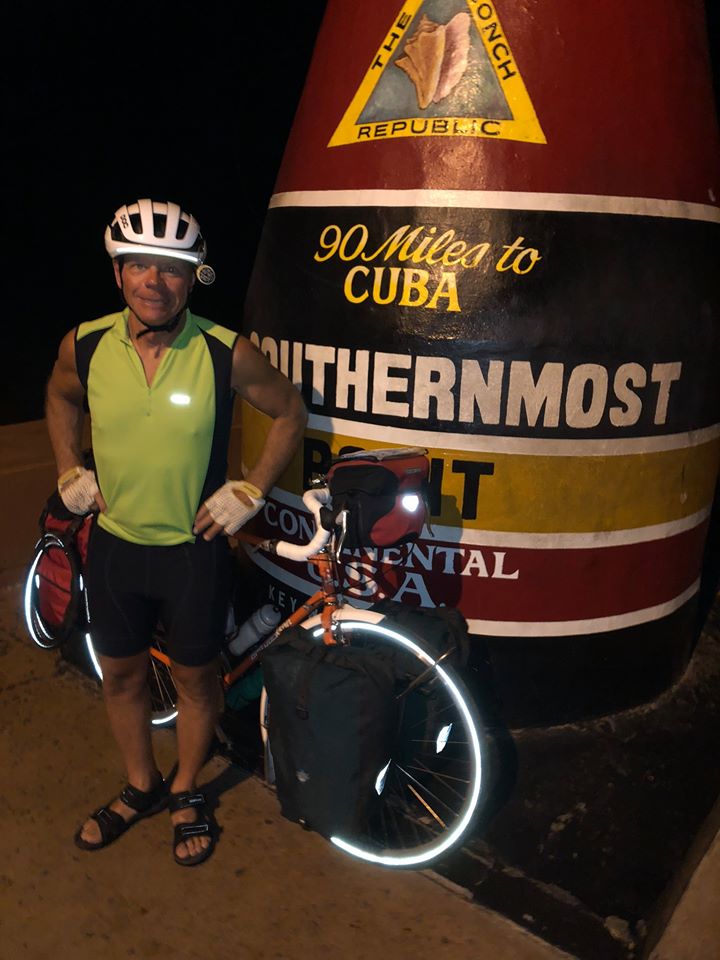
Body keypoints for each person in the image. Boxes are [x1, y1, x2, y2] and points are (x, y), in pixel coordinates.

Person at [44, 198, 307, 866]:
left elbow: (289, 412)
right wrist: (68, 464)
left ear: (193, 279)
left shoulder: (225, 351)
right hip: (114, 549)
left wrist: (251, 487)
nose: (153, 281)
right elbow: (58, 396)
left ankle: (186, 786)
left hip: (194, 553)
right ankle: (140, 785)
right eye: (139, 265)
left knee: (196, 683)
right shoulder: (87, 343)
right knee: (122, 676)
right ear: (118, 272)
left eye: (171, 268)